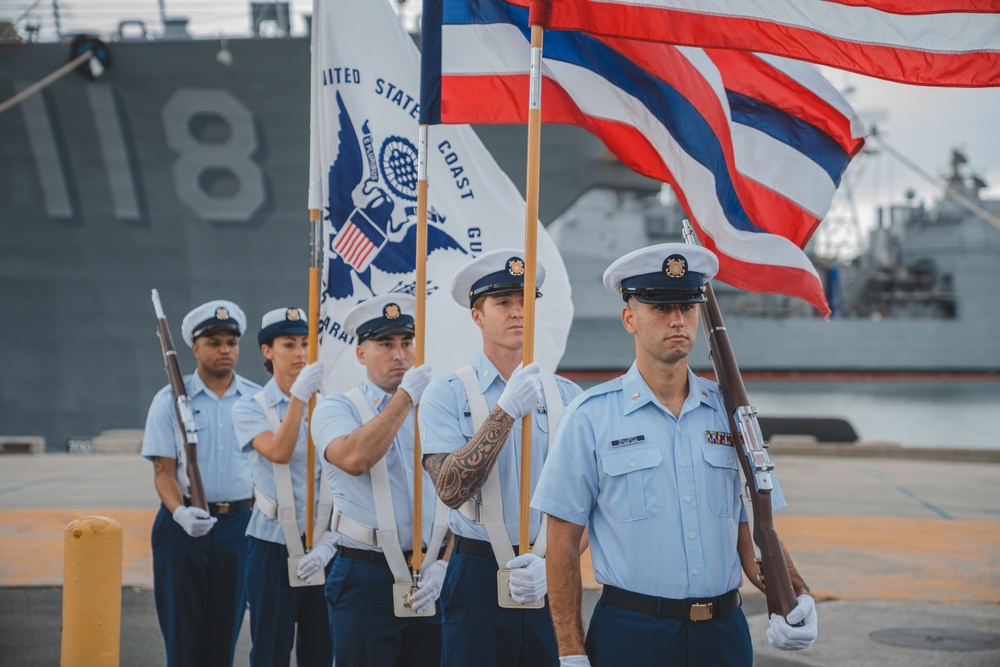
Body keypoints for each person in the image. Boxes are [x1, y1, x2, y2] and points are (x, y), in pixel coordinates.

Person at [531, 243, 819, 667]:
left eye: (687, 306)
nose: (677, 319)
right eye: (661, 307)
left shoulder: (732, 414)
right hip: (631, 635)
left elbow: (754, 531)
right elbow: (561, 543)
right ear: (630, 318)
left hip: (723, 634)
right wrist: (570, 649)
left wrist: (796, 595)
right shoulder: (589, 418)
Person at [418, 249, 583, 667]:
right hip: (476, 574)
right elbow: (451, 487)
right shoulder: (446, 394)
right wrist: (505, 412)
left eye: (525, 300)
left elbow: (590, 504)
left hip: (550, 575)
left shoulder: (568, 397)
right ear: (477, 315)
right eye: (503, 302)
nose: (517, 312)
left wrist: (555, 566)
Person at [311, 293, 450, 667]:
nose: (399, 355)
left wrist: (446, 562)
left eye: (406, 343)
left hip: (431, 572)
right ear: (361, 354)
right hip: (365, 574)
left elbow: (461, 491)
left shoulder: (436, 408)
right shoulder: (336, 408)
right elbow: (354, 458)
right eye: (385, 344)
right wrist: (404, 397)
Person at [141, 299, 260, 667]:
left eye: (231, 342)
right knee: (182, 636)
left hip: (239, 526)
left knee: (224, 638)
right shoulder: (169, 401)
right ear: (195, 347)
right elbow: (163, 472)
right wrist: (180, 513)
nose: (225, 350)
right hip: (182, 527)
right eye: (214, 342)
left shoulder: (256, 400)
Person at [231, 307, 334, 666]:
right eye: (288, 344)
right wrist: (298, 400)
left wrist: (331, 540)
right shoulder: (249, 407)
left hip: (325, 542)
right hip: (272, 544)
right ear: (267, 351)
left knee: (322, 651)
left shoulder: (331, 403)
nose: (300, 353)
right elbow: (278, 451)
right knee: (270, 651)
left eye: (306, 343)